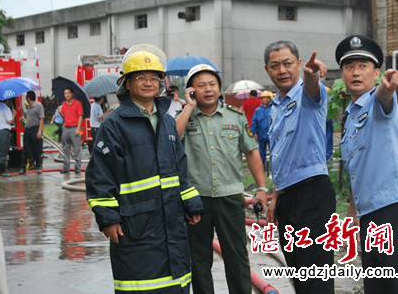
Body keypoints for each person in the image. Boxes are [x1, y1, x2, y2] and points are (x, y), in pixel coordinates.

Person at [85, 46, 203, 294]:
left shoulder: (168, 121)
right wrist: (107, 218)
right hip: (135, 224)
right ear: (126, 84)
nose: (148, 83)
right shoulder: (114, 125)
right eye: (140, 77)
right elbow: (100, 175)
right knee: (142, 284)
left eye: (154, 78)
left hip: (171, 221)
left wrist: (190, 203)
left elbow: (179, 166)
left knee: (177, 282)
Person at [336, 35, 398, 294]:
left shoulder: (379, 103)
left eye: (363, 66)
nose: (355, 72)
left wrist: (388, 88)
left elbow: (384, 96)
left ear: (376, 73)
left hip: (396, 210)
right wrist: (353, 216)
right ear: (342, 74)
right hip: (368, 216)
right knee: (378, 287)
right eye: (349, 66)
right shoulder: (349, 118)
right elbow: (357, 171)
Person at [176, 64, 268, 294]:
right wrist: (188, 107)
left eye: (212, 84)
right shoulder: (184, 118)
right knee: (198, 260)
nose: (207, 89)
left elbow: (252, 152)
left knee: (236, 257)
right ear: (191, 91)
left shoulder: (235, 117)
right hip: (195, 200)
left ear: (219, 89)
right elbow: (173, 141)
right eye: (200, 86)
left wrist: (262, 188)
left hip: (229, 198)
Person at [264, 40, 335, 293]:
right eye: (275, 65)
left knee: (315, 276)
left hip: (312, 194)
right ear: (267, 70)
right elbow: (281, 156)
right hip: (287, 198)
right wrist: (275, 196)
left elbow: (313, 87)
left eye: (287, 63)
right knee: (298, 273)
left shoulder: (308, 95)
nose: (282, 70)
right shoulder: (275, 106)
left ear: (298, 64)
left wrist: (312, 75)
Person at [58, 88, 83, 174]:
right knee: (65, 149)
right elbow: (64, 117)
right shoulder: (63, 104)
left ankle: (77, 168)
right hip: (66, 128)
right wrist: (60, 113)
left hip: (74, 128)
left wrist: (78, 129)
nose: (67, 95)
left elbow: (80, 116)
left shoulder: (78, 104)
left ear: (72, 94)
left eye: (68, 93)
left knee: (77, 150)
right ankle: (66, 168)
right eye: (65, 93)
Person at [19, 91, 45, 174]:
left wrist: (39, 131)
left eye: (26, 97)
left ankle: (38, 167)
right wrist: (22, 112)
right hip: (27, 129)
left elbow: (41, 118)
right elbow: (28, 117)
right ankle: (23, 168)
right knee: (26, 149)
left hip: (35, 129)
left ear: (28, 98)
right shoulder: (29, 107)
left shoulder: (39, 106)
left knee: (37, 149)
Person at [0, 99, 16, 176]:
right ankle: (2, 171)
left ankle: (1, 170)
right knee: (3, 152)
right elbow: (10, 121)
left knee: (0, 150)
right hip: (4, 132)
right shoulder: (6, 108)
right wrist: (14, 114)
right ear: (7, 100)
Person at [251, 90, 272, 174]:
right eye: (264, 98)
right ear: (261, 99)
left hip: (271, 134)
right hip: (261, 134)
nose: (266, 100)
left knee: (273, 153)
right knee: (261, 153)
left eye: (268, 98)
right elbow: (254, 121)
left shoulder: (273, 109)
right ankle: (262, 169)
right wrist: (254, 132)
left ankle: (272, 169)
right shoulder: (258, 110)